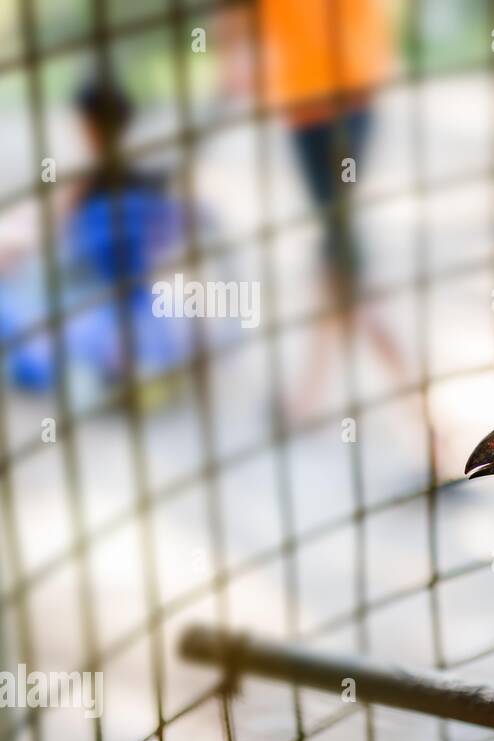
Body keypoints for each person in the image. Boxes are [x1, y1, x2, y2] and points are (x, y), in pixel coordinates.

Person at [221, 0, 413, 426]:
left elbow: (233, 20)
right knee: (335, 252)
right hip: (332, 96)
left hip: (327, 102)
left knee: (346, 263)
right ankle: (307, 398)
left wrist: (232, 57)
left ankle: (431, 429)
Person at [0, 75, 191, 408]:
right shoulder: (152, 177)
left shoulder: (88, 182)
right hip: (139, 306)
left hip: (88, 302)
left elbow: (49, 229)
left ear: (88, 123)